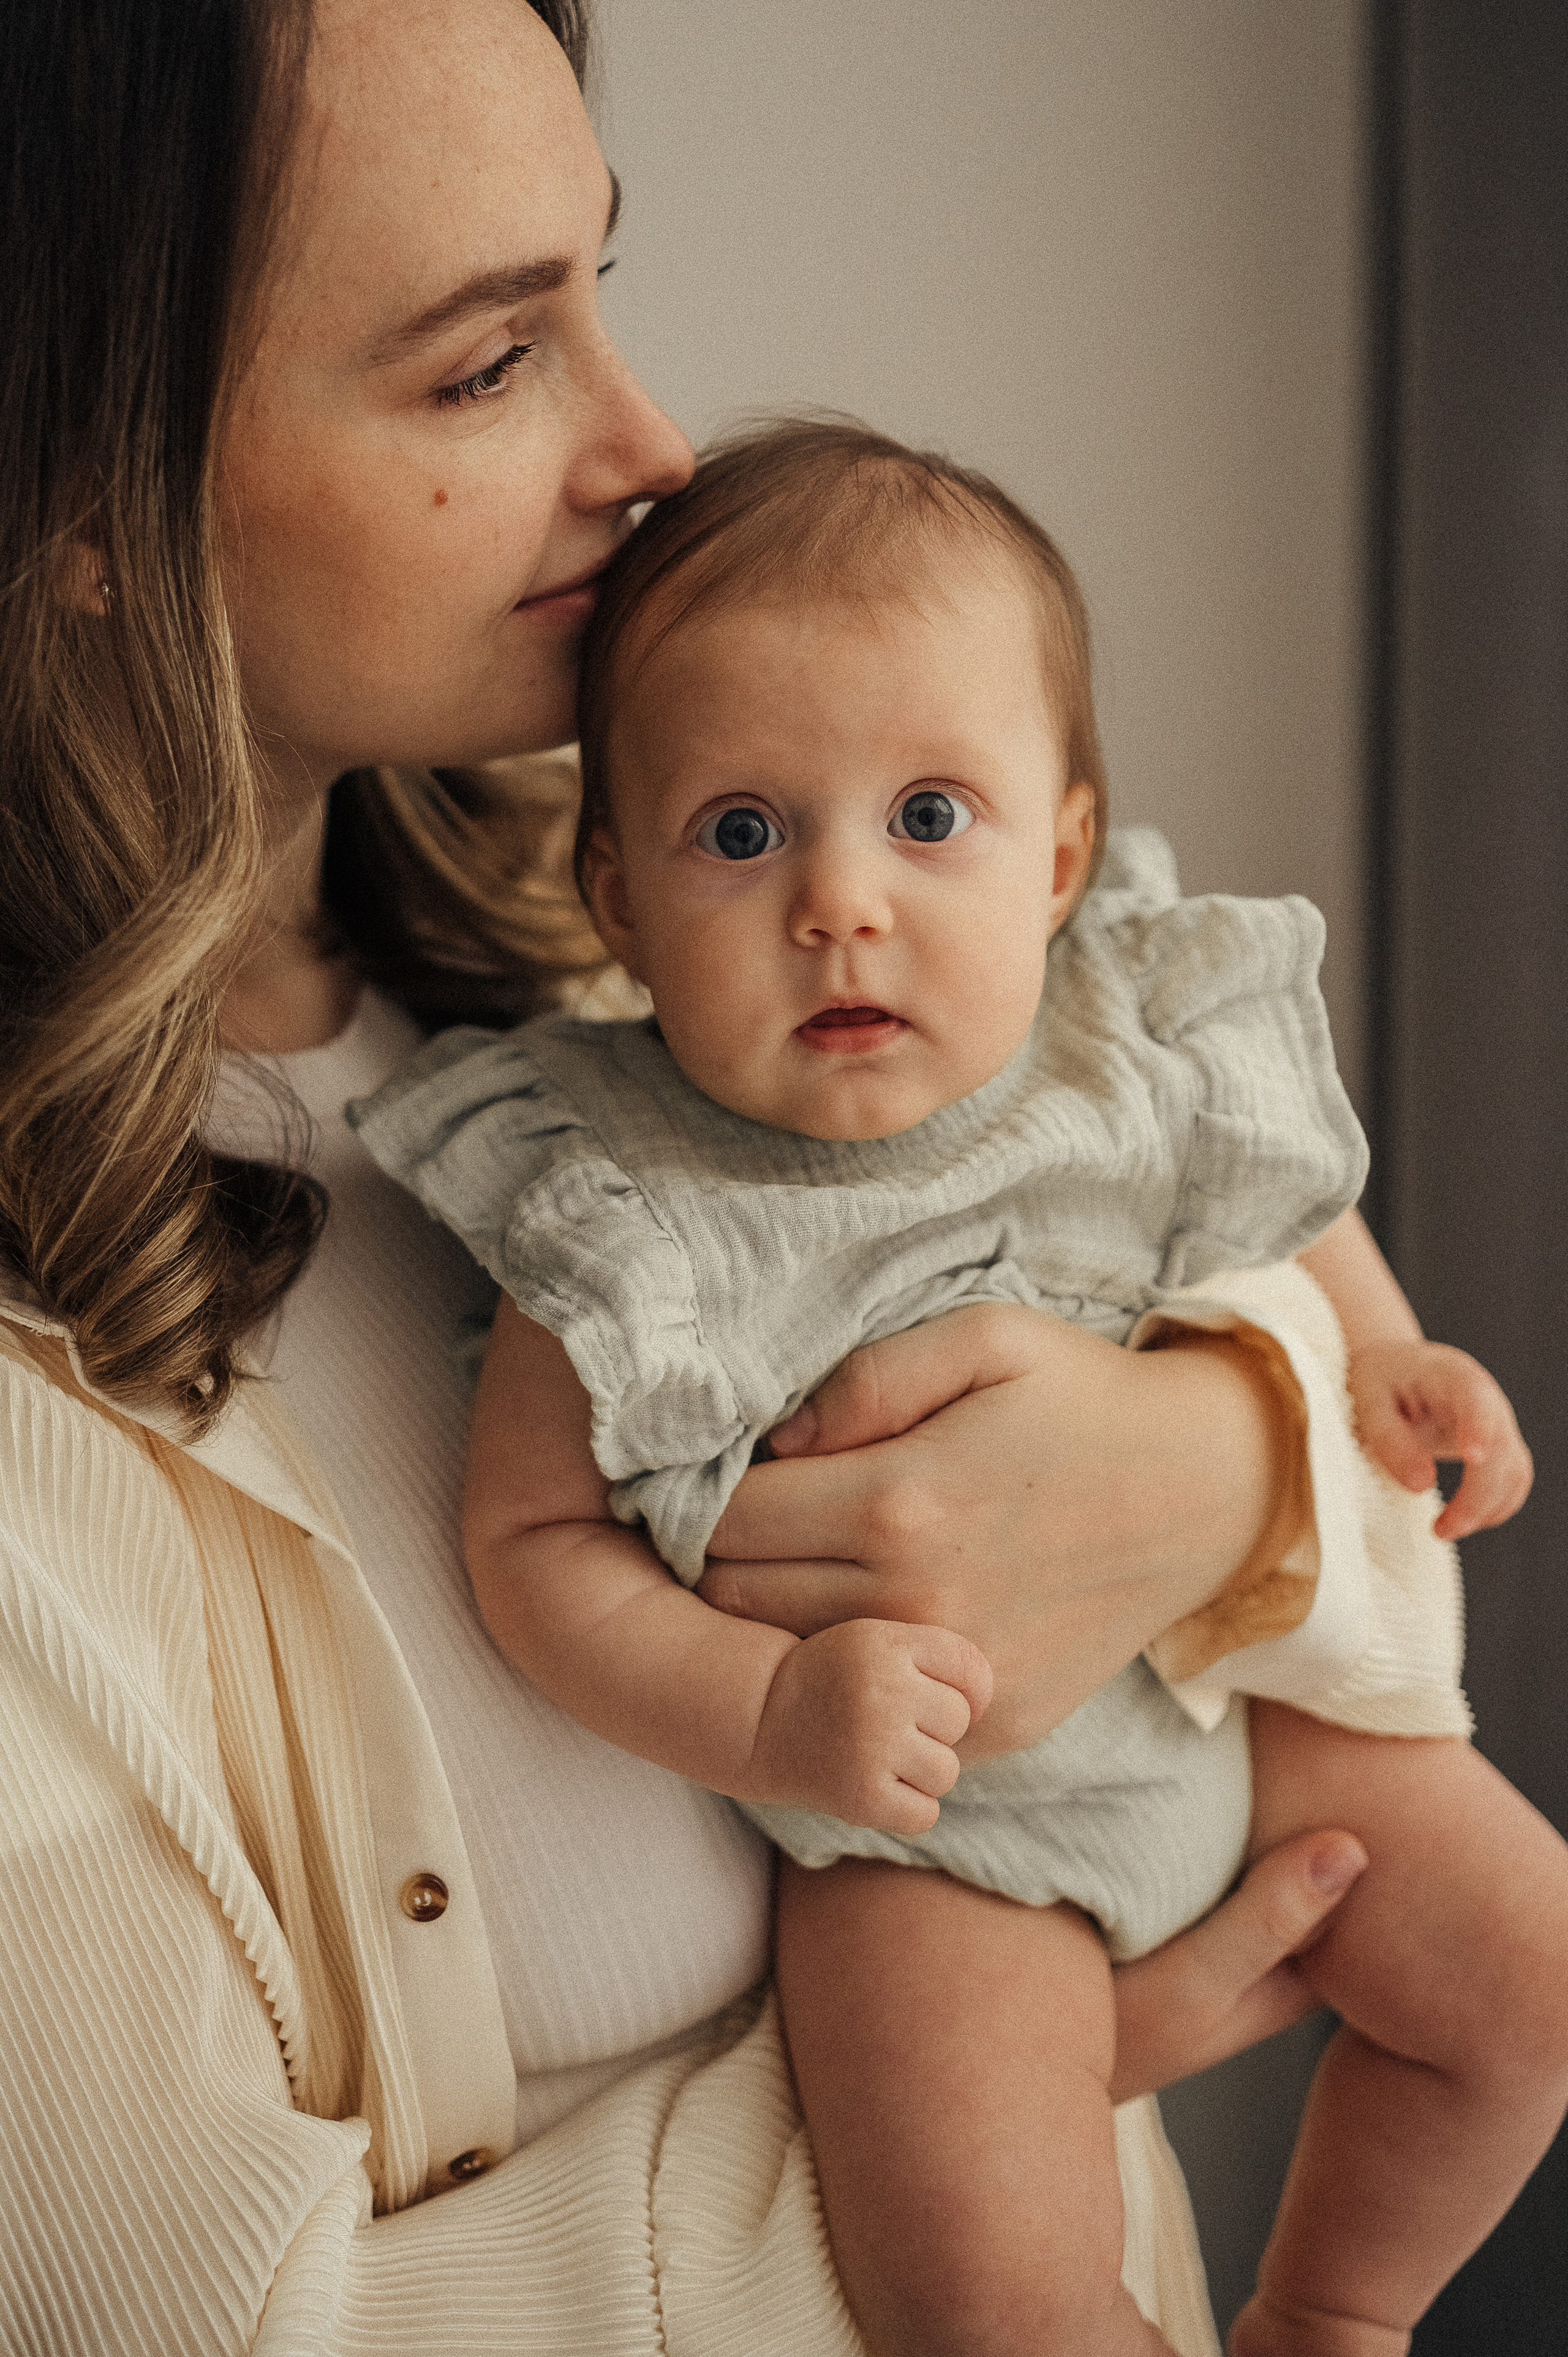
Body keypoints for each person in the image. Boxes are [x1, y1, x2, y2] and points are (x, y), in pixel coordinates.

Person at [0, 5, 1472, 2351]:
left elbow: (1383, 1512)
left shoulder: (684, 963)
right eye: (487, 364)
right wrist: (996, 2111)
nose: (653, 442)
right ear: (79, 500)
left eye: (599, 280)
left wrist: (1243, 1451)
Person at [352, 418, 1566, 2357]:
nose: (844, 899)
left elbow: (1289, 1223)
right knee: (989, 2297)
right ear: (615, 894)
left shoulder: (1125, 1021)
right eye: (742, 834)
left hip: (1220, 1702)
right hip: (927, 1851)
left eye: (931, 817)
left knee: (1537, 1982)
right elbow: (532, 1544)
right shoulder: (619, 1194)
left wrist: (1394, 1354)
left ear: (1064, 849)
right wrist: (772, 1710)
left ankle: (1337, 2312)